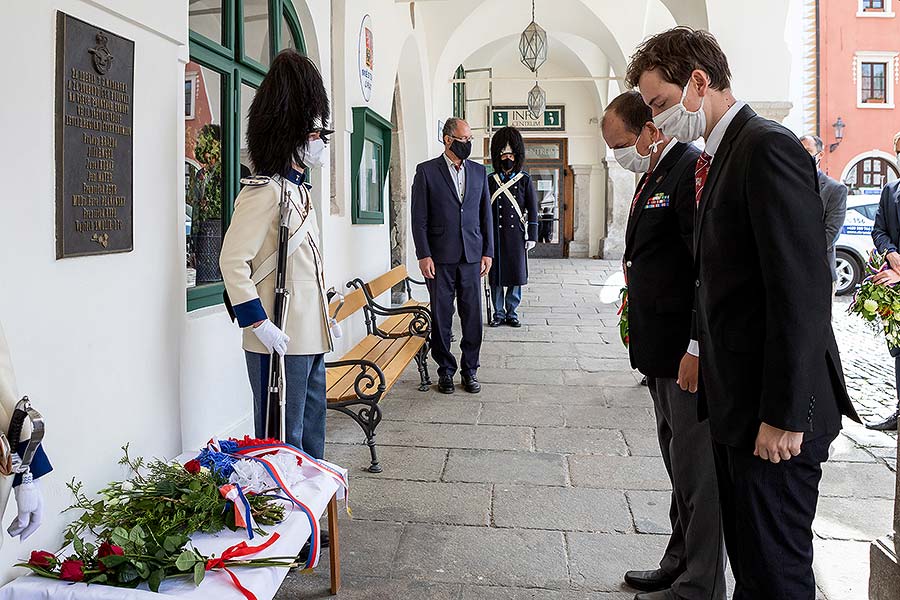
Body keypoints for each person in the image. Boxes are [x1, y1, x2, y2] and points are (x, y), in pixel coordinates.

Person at [627, 27, 860, 600]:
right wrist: (699, 352)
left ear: (698, 83)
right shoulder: (721, 154)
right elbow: (717, 278)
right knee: (753, 569)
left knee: (776, 576)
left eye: (660, 103)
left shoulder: (765, 146)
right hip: (738, 406)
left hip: (774, 416)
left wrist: (785, 413)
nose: (658, 119)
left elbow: (800, 291)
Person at [602, 91, 724, 600]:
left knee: (698, 475)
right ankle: (678, 562)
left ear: (650, 130)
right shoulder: (654, 172)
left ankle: (701, 584)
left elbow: (704, 267)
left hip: (682, 352)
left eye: (621, 144)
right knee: (678, 466)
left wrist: (696, 345)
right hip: (658, 352)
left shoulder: (688, 169)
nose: (618, 155)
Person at [220, 50, 333, 459]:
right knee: (283, 439)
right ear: (291, 135)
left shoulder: (300, 193)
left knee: (312, 435)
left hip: (309, 333)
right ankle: (288, 516)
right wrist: (257, 323)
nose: (321, 144)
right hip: (279, 335)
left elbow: (309, 267)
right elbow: (232, 261)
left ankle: (310, 513)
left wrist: (326, 316)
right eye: (316, 135)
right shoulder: (264, 192)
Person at [411, 117, 493, 394]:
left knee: (472, 316)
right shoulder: (426, 172)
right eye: (463, 140)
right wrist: (424, 255)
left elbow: (486, 216)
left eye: (470, 139)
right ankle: (445, 370)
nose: (468, 144)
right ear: (448, 139)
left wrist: (488, 252)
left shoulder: (480, 173)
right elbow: (418, 218)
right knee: (442, 317)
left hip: (472, 255)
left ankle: (470, 370)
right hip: (440, 258)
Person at [487, 126, 538, 328]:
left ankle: (512, 312)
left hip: (516, 235)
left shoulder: (524, 179)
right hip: (495, 235)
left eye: (510, 153)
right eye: (503, 154)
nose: (507, 157)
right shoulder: (491, 180)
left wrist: (532, 235)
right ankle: (498, 313)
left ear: (517, 156)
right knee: (497, 277)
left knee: (515, 276)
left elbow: (533, 209)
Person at [869, 156, 900, 431]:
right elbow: (878, 230)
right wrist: (889, 251)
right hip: (893, 287)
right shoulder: (890, 191)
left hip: (896, 277)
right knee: (898, 349)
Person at [800, 135, 848, 292]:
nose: (803, 155)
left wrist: (798, 254)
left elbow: (831, 232)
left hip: (819, 271)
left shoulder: (835, 189)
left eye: (808, 151)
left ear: (819, 154)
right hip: (790, 272)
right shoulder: (788, 184)